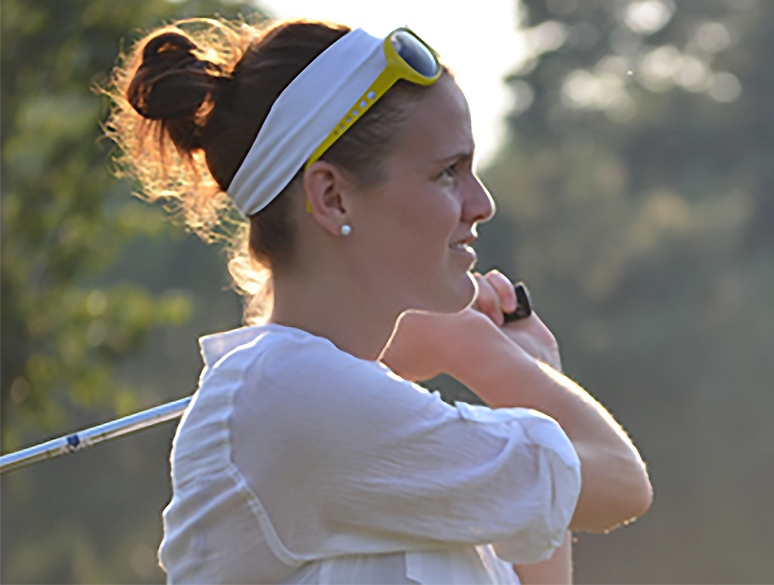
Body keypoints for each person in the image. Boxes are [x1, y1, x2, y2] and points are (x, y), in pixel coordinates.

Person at [106, 17, 652, 585]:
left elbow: (562, 521)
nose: (481, 202)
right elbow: (620, 485)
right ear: (332, 197)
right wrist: (478, 350)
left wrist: (535, 376)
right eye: (447, 172)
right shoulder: (286, 390)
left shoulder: (343, 408)